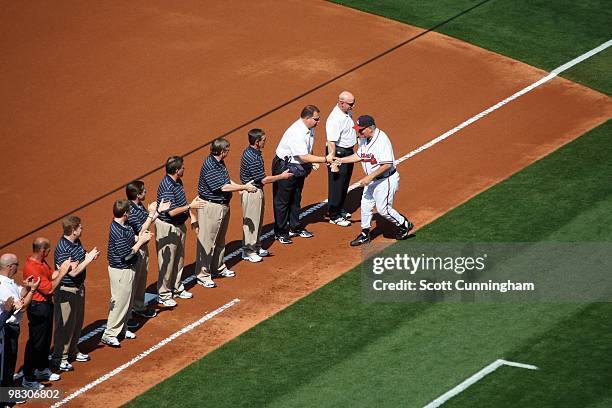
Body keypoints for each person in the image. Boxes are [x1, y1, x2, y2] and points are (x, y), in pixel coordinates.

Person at [335, 115, 414, 245]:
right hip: (372, 180)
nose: (358, 132)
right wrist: (341, 160)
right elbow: (360, 155)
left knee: (383, 210)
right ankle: (365, 234)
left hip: (385, 180)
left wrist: (369, 177)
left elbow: (387, 164)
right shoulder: (363, 139)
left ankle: (404, 224)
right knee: (365, 207)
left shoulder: (382, 140)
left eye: (361, 130)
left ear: (370, 129)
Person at [195, 138, 257, 286]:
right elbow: (222, 187)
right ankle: (203, 275)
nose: (229, 152)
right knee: (207, 242)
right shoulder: (210, 165)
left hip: (222, 206)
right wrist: (244, 187)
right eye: (227, 150)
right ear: (222, 151)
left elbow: (227, 180)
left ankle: (218, 267)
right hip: (211, 208)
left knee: (220, 240)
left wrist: (240, 187)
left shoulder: (219, 162)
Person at [272, 105, 334, 244]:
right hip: (285, 167)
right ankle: (280, 231)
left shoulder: (310, 128)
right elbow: (302, 156)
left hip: (297, 166)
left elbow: (307, 151)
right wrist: (323, 159)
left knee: (296, 197)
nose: (318, 122)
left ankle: (294, 227)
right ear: (307, 118)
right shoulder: (297, 132)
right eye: (316, 119)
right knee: (282, 201)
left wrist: (312, 162)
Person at [155, 156, 206, 307]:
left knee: (179, 259)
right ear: (177, 170)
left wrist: (191, 216)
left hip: (179, 226)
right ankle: (164, 294)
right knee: (167, 262)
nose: (185, 169)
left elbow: (182, 203)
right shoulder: (167, 186)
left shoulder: (178, 182)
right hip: (168, 227)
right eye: (183, 167)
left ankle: (177, 288)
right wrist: (191, 206)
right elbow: (171, 212)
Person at [22, 238, 73, 387]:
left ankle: (42, 368)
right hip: (38, 307)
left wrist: (65, 268)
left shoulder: (42, 263)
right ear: (42, 251)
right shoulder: (32, 267)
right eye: (48, 250)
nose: (50, 252)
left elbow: (51, 276)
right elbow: (49, 288)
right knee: (36, 343)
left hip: (46, 305)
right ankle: (28, 378)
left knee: (45, 340)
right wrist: (63, 273)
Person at [101, 200, 152, 347]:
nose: (130, 214)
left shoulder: (125, 226)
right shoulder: (117, 231)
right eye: (129, 212)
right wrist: (141, 241)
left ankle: (122, 328)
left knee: (128, 300)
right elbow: (127, 255)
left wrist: (140, 237)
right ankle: (109, 334)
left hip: (128, 268)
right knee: (120, 302)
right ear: (124, 214)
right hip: (121, 270)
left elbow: (132, 239)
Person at [52, 216, 100, 372]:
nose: (82, 229)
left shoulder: (76, 242)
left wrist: (87, 256)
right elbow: (73, 273)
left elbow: (80, 258)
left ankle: (72, 351)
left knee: (77, 322)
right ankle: (60, 358)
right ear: (73, 230)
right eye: (80, 227)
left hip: (78, 288)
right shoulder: (63, 248)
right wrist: (89, 260)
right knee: (64, 326)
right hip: (66, 291)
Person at [239, 129, 293, 262]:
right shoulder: (252, 157)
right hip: (252, 192)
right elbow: (263, 180)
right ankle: (248, 251)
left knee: (257, 221)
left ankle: (256, 246)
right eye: (263, 140)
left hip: (256, 191)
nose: (265, 142)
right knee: (251, 223)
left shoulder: (254, 153)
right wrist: (281, 176)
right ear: (257, 142)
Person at [125, 181, 170, 319]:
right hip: (136, 249)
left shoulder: (138, 205)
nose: (146, 192)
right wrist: (151, 214)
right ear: (138, 195)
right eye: (143, 191)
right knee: (133, 283)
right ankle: (127, 315)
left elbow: (146, 220)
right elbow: (140, 230)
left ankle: (138, 306)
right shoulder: (131, 210)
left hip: (143, 248)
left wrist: (158, 211)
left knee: (141, 279)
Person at [0, 254, 39, 392]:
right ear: (10, 266)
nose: (18, 267)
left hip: (11, 328)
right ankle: (5, 398)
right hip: (6, 330)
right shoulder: (2, 286)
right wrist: (33, 291)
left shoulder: (9, 282)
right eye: (17, 264)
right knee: (6, 364)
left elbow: (20, 292)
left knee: (10, 362)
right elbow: (21, 307)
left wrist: (28, 288)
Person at [326, 91, 357, 227]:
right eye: (350, 104)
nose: (353, 106)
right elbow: (331, 141)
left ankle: (339, 208)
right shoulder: (334, 118)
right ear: (342, 103)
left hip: (347, 152)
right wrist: (333, 162)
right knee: (336, 185)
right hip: (338, 154)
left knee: (344, 183)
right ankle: (334, 215)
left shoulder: (346, 112)